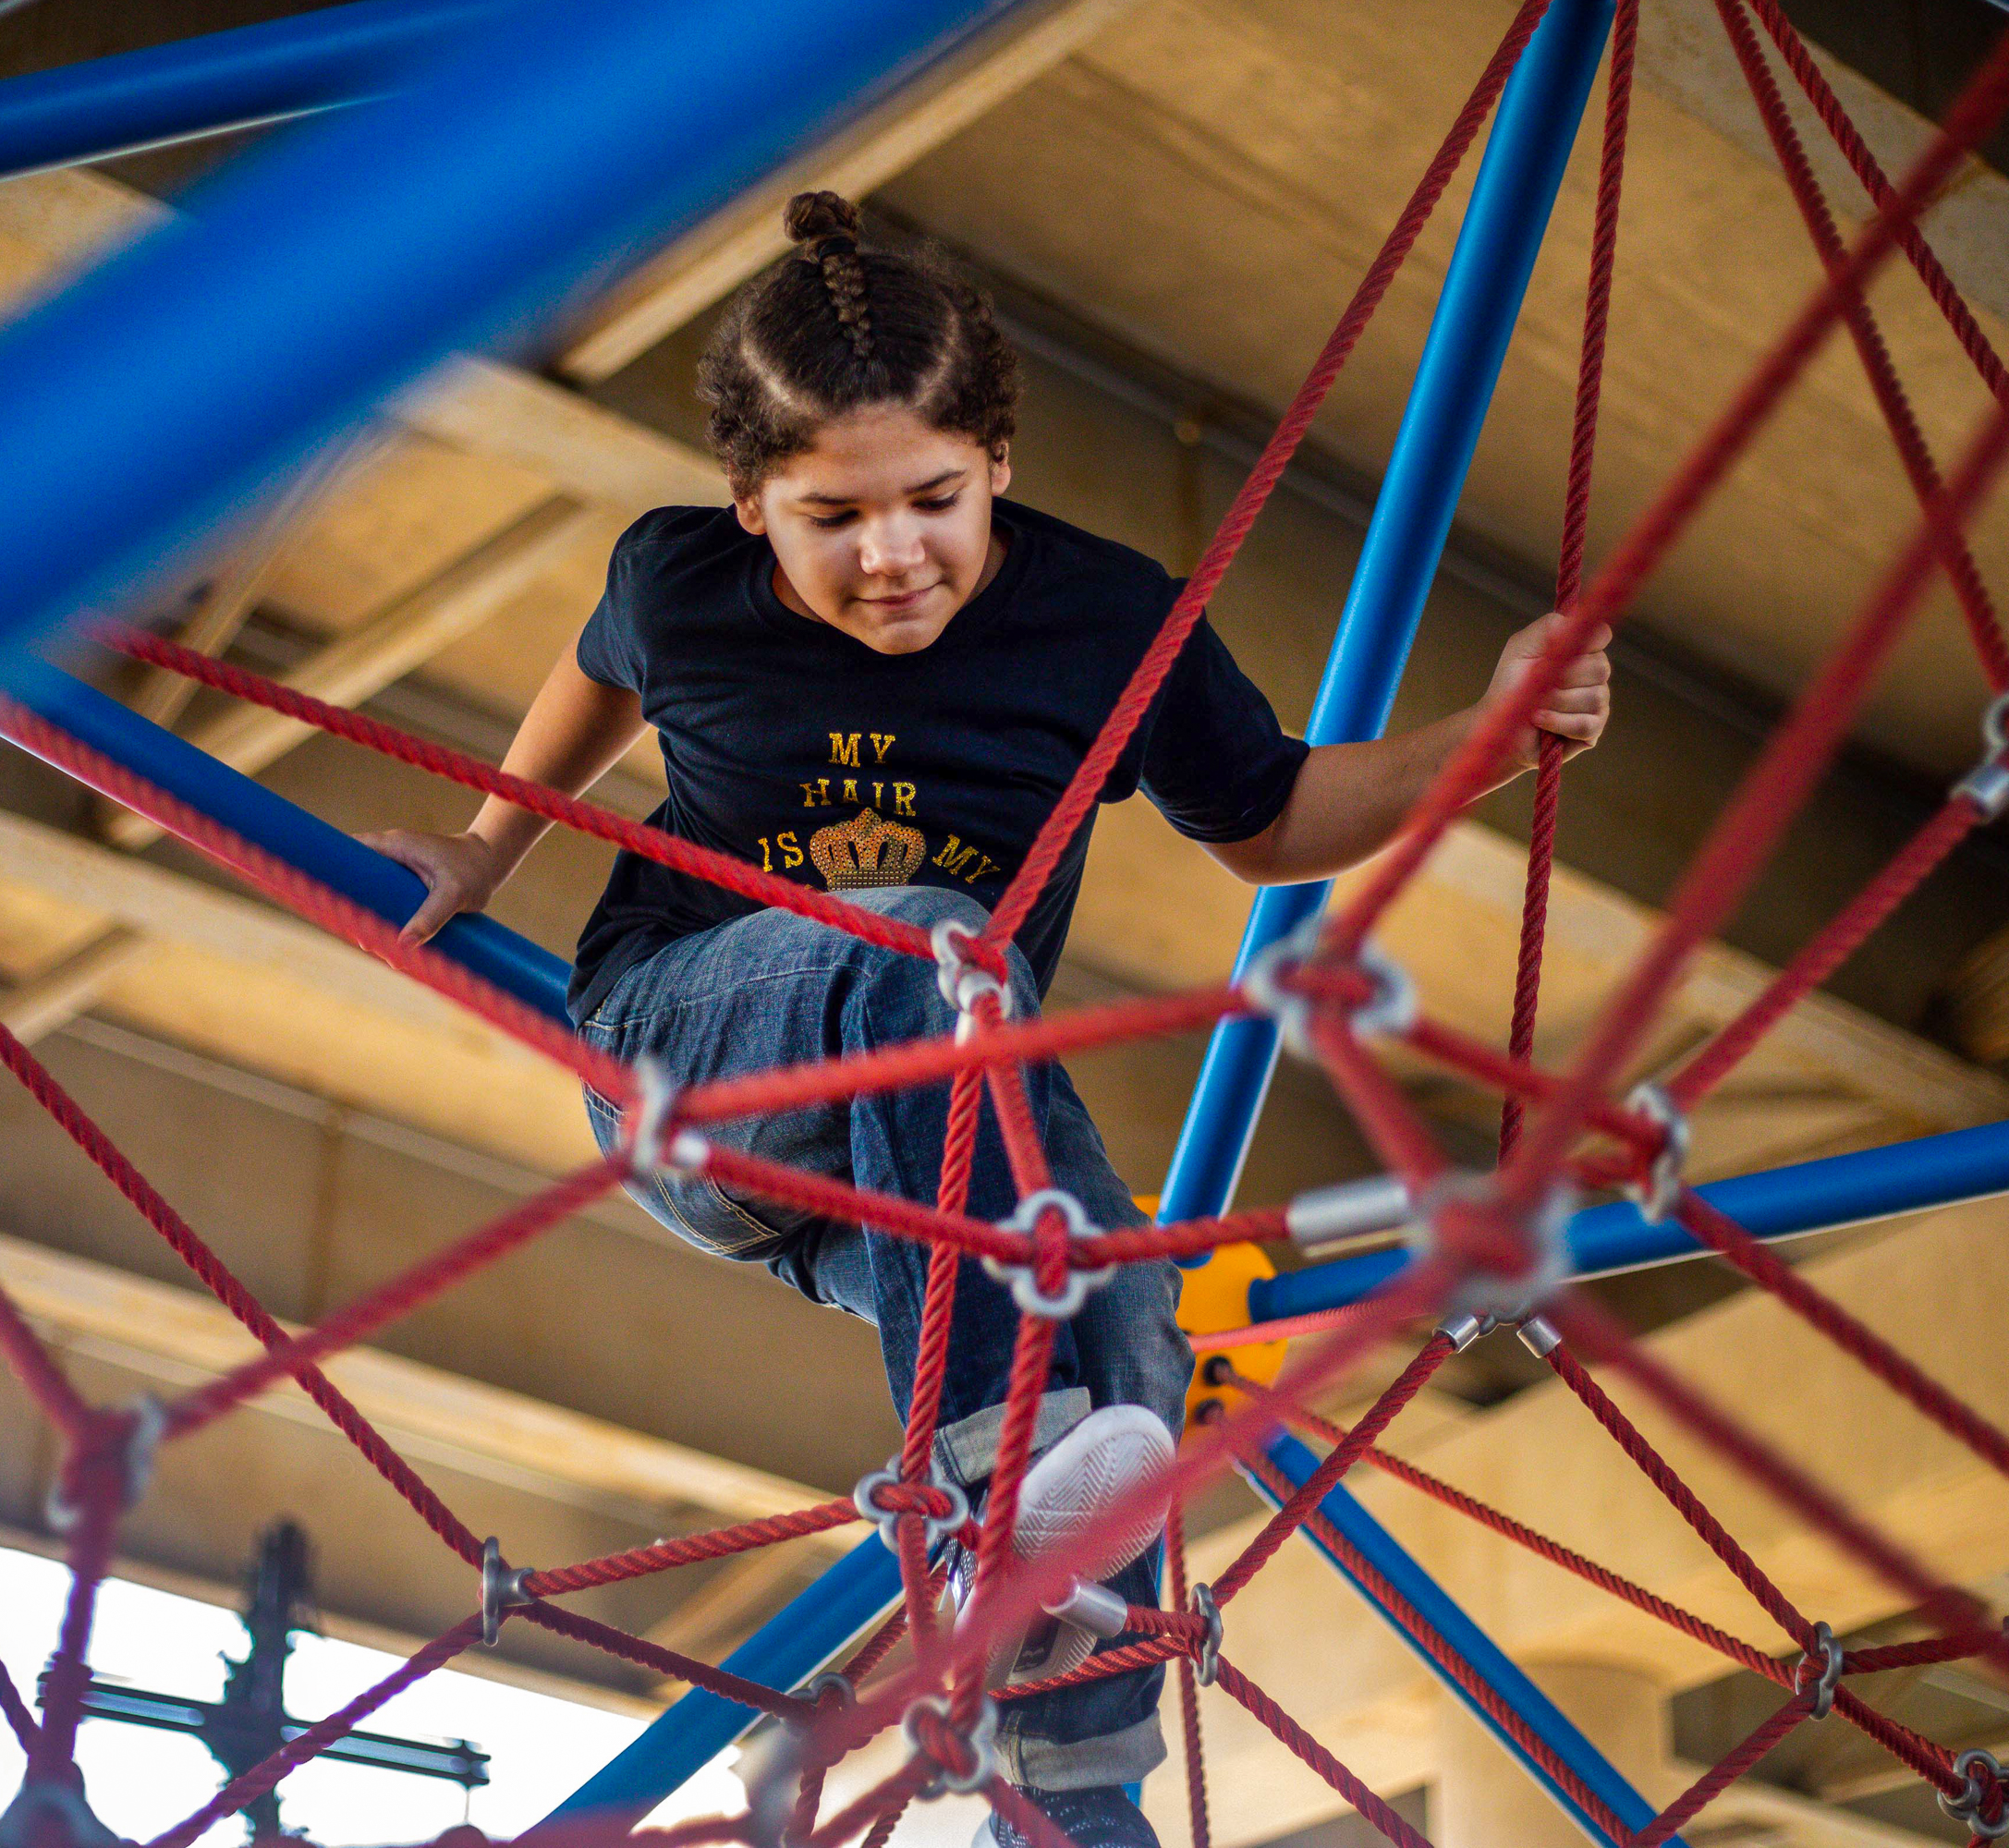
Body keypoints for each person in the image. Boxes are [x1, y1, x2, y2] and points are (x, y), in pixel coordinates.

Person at [366, 191, 1611, 1848]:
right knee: (932, 949)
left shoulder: (1101, 621)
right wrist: (481, 842)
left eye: (935, 501)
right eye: (833, 517)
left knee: (1129, 1324)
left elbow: (1273, 819)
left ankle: (1080, 1808)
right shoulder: (679, 583)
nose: (893, 555)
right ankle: (981, 1479)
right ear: (752, 506)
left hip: (914, 1164)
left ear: (1000, 465)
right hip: (694, 1073)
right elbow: (596, 674)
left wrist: (1492, 729)